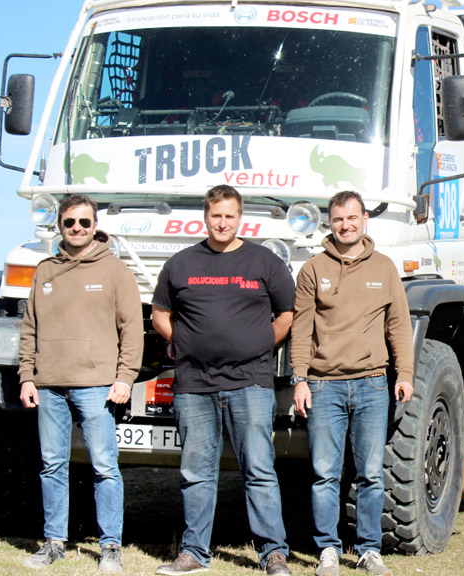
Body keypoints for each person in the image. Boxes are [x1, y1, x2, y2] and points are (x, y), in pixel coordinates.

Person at [151, 185, 295, 576]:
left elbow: (287, 313)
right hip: (194, 385)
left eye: (230, 216)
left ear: (239, 218)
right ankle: (194, 553)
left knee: (259, 471)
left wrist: (264, 343)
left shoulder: (264, 262)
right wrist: (178, 340)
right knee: (197, 472)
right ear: (206, 217)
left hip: (250, 382)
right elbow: (159, 313)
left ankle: (273, 554)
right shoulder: (181, 264)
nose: (222, 223)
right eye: (216, 216)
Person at [18, 194, 143, 572]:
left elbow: (132, 330)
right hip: (49, 385)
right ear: (59, 225)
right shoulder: (44, 271)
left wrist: (124, 378)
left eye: (84, 223)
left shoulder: (115, 272)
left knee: (105, 466)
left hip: (96, 386)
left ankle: (110, 548)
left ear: (95, 226)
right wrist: (27, 376)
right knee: (52, 465)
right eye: (70, 222)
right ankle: (54, 542)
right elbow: (30, 329)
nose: (77, 229)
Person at [291, 191, 414, 576]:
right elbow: (300, 329)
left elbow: (399, 326)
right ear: (330, 222)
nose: (346, 225)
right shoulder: (312, 269)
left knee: (371, 474)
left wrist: (405, 373)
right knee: (325, 473)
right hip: (324, 386)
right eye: (338, 219)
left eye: (352, 218)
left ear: (364, 221)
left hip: (373, 385)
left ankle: (368, 550)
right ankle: (328, 549)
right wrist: (300, 379)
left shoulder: (385, 268)